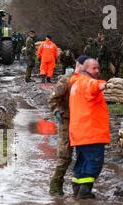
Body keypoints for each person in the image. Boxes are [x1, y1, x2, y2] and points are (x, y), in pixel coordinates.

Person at [49, 55, 90, 196]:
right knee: (65, 155)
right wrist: (57, 111)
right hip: (67, 120)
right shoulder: (67, 80)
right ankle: (56, 185)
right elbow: (53, 99)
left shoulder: (88, 80)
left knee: (83, 155)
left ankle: (78, 187)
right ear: (78, 65)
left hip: (83, 122)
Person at [69, 59, 109, 199]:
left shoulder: (76, 83)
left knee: (81, 162)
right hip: (91, 133)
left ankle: (77, 190)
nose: (97, 71)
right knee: (94, 162)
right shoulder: (86, 82)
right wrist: (103, 84)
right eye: (94, 68)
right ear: (86, 69)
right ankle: (84, 193)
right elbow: (92, 85)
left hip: (80, 133)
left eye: (98, 68)